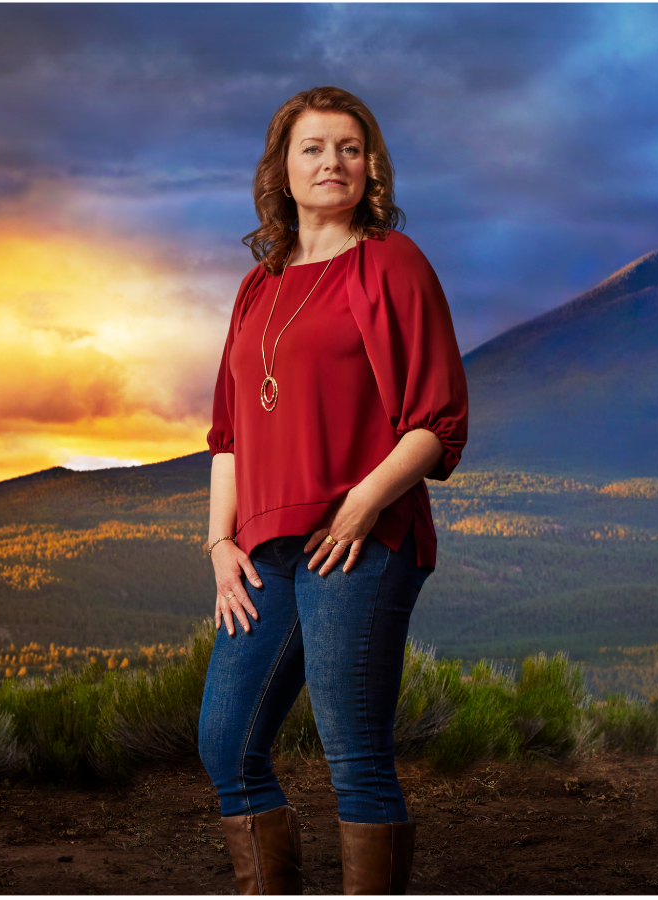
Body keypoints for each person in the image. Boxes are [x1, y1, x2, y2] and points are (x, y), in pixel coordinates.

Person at [197, 86, 468, 895]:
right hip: (262, 550)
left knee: (354, 755)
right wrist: (218, 542)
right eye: (313, 147)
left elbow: (439, 420)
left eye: (350, 148)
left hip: (360, 540)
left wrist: (364, 500)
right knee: (226, 744)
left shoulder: (392, 265)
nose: (332, 162)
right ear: (282, 169)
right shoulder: (259, 285)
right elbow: (230, 433)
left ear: (371, 166)